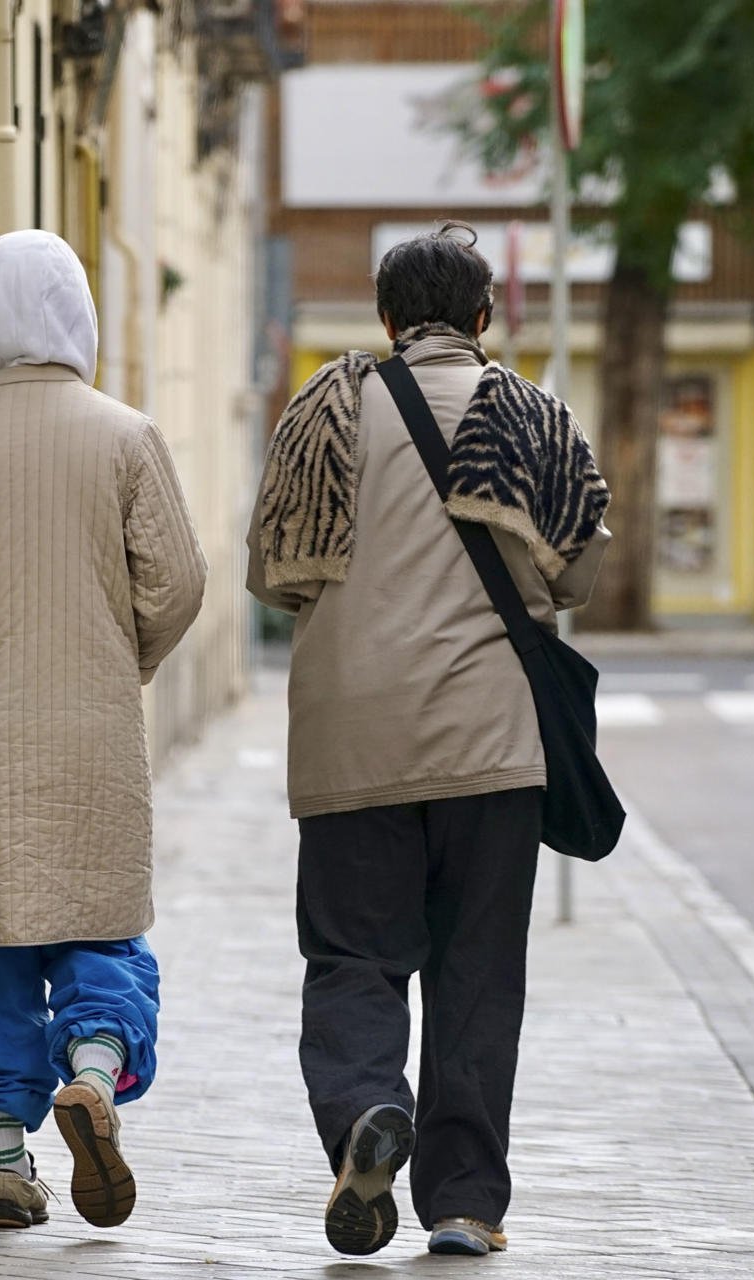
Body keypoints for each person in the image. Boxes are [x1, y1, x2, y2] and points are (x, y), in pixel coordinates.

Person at [246, 223, 611, 1259]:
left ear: (387, 320)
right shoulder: (535, 418)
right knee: (477, 973)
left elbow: (273, 574)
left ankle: (367, 1105)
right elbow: (579, 572)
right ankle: (462, 1201)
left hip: (350, 743)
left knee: (354, 956)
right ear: (485, 318)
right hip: (491, 745)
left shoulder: (322, 414)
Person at [0, 229, 207, 1232]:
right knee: (103, 934)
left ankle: (9, 1163)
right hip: (97, 735)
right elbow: (179, 584)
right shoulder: (127, 435)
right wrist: (125, 657)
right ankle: (96, 1072)